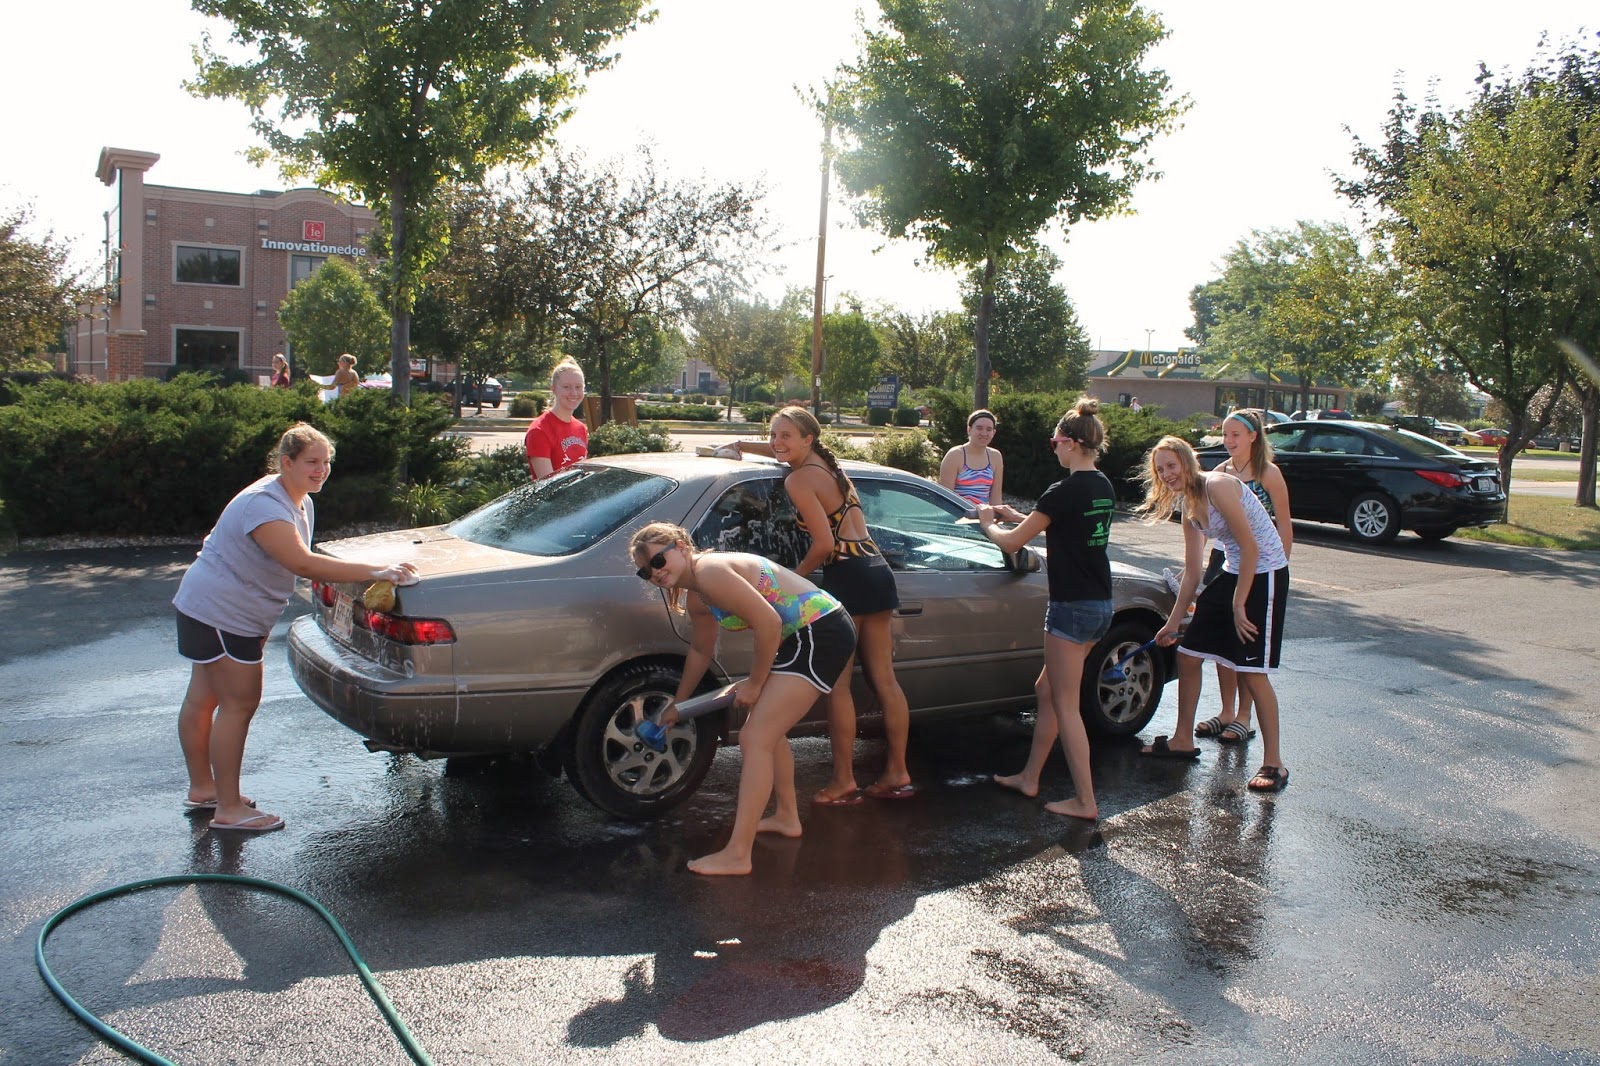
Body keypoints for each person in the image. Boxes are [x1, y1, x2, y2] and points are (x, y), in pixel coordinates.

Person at [173, 424, 418, 832]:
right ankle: (229, 809)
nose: (321, 470)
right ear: (286, 462)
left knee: (204, 698)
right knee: (238, 704)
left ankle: (204, 789)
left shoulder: (295, 498)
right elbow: (302, 563)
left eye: (326, 462)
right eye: (311, 462)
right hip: (223, 613)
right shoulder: (266, 506)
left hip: (210, 609)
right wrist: (377, 571)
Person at [629, 522, 857, 875]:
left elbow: (767, 623)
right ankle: (786, 817)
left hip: (818, 631)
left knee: (756, 737)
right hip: (800, 636)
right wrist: (679, 704)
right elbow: (701, 651)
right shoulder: (697, 594)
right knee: (767, 730)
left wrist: (754, 682)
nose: (656, 572)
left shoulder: (710, 572)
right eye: (647, 570)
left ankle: (738, 854)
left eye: (659, 559)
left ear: (681, 546)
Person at [727, 407, 914, 804]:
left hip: (847, 576)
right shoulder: (829, 468)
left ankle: (845, 780)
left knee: (840, 687)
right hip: (877, 571)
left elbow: (825, 546)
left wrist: (788, 580)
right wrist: (743, 444)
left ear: (808, 439)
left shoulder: (799, 480)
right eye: (773, 434)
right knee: (886, 681)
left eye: (786, 436)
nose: (777, 442)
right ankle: (897, 770)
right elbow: (789, 444)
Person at [975, 398, 1115, 820]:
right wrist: (1020, 516)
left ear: (1072, 443)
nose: (1052, 446)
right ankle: (1030, 776)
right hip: (1100, 605)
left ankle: (1086, 801)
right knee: (1047, 691)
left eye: (1055, 440)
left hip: (1071, 608)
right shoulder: (1101, 486)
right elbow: (1061, 526)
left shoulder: (1064, 490)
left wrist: (988, 522)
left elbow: (1012, 542)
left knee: (1066, 706)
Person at [1137, 435, 1290, 792]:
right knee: (1188, 656)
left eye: (1171, 466)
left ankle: (1274, 764)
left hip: (1266, 574)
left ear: (1188, 461)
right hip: (1235, 572)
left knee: (1250, 671)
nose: (1167, 474)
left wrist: (1238, 604)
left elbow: (1251, 546)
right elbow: (1192, 572)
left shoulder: (1218, 486)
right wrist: (1172, 623)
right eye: (1161, 470)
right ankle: (1181, 740)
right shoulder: (1190, 509)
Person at [1191, 410, 1292, 745]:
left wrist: (1282, 564)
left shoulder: (1268, 473)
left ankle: (1244, 717)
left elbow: (1284, 524)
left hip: (1260, 560)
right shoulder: (1219, 472)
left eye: (1236, 434)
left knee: (1246, 640)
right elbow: (1206, 523)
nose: (1229, 441)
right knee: (1221, 642)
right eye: (1225, 434)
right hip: (1225, 558)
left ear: (1253, 437)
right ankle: (1226, 711)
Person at [939, 409, 1025, 521]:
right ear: (969, 430)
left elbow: (996, 500)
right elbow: (946, 499)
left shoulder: (995, 457)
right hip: (957, 519)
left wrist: (995, 525)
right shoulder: (955, 455)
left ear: (993, 433)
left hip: (984, 520)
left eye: (988, 429)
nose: (984, 433)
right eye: (979, 428)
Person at [524, 356, 588, 480]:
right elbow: (548, 485)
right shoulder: (539, 430)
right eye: (566, 387)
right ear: (553, 389)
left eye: (578, 387)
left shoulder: (581, 428)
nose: (574, 393)